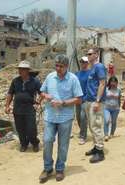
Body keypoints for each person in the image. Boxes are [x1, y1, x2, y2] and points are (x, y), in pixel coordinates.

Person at [39, 55, 83, 183]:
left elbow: (79, 99)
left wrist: (62, 103)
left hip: (65, 118)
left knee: (63, 145)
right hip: (50, 116)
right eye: (56, 65)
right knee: (47, 141)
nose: (58, 68)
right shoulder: (50, 77)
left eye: (61, 66)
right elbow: (42, 91)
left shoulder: (73, 79)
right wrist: (45, 95)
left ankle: (59, 169)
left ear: (67, 67)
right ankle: (47, 168)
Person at [5, 60, 41, 152]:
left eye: (23, 69)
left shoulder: (35, 81)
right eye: (19, 69)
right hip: (17, 109)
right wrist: (7, 106)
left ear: (28, 70)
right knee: (20, 129)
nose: (20, 71)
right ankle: (24, 144)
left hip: (29, 109)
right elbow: (10, 94)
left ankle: (35, 142)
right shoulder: (15, 81)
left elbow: (42, 93)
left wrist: (38, 102)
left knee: (31, 129)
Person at [84, 48, 107, 163]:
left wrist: (97, 101)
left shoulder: (99, 67)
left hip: (95, 101)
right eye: (87, 54)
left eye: (90, 54)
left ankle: (100, 151)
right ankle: (95, 147)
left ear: (96, 55)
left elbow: (102, 83)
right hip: (89, 100)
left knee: (96, 125)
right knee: (91, 126)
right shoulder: (92, 68)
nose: (88, 56)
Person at [75, 56, 90, 145]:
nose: (82, 63)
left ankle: (83, 136)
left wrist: (85, 98)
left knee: (83, 117)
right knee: (78, 117)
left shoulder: (90, 73)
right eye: (81, 62)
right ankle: (83, 130)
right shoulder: (77, 74)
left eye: (84, 62)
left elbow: (90, 87)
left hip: (85, 99)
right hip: (77, 99)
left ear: (87, 63)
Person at [103, 76, 121, 142]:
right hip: (106, 107)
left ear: (117, 83)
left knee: (113, 122)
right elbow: (102, 97)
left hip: (115, 108)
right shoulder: (106, 89)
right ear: (109, 82)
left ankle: (112, 133)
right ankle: (106, 135)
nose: (113, 83)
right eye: (112, 82)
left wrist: (119, 107)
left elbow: (119, 99)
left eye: (114, 82)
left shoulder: (118, 90)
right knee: (106, 120)